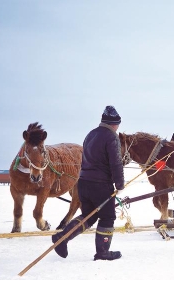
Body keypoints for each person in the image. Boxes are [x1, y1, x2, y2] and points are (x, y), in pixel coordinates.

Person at [52, 105, 125, 261]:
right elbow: (116, 163)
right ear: (114, 124)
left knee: (88, 216)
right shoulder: (112, 137)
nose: (118, 127)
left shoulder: (91, 134)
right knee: (107, 217)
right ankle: (102, 252)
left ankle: (62, 238)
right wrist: (119, 184)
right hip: (101, 185)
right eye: (118, 124)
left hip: (83, 183)